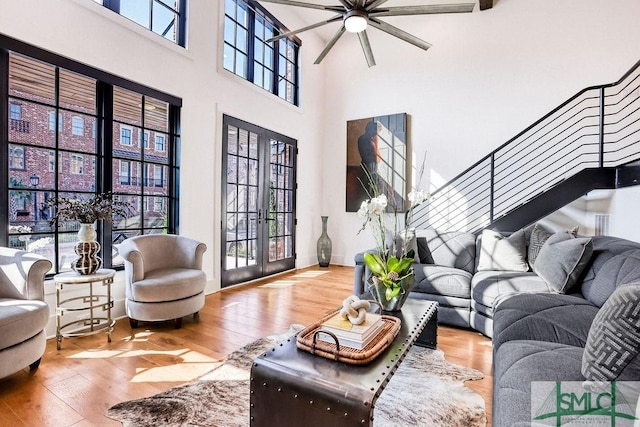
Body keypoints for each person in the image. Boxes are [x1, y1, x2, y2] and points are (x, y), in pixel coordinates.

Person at [357, 120, 380, 190]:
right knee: (370, 186)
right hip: (370, 166)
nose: (376, 133)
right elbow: (377, 157)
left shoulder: (362, 138)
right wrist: (375, 142)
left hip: (366, 165)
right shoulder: (367, 139)